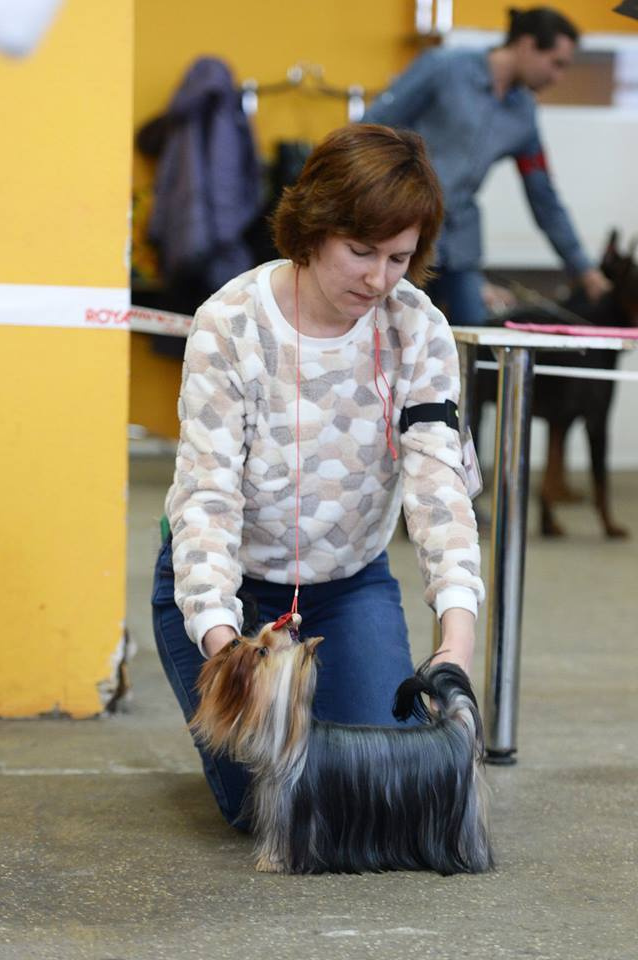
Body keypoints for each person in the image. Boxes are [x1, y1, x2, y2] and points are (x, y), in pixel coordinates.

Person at [151, 123, 485, 827]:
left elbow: (438, 485)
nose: (378, 278)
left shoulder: (418, 329)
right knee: (275, 808)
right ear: (313, 228)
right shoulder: (228, 324)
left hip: (349, 584)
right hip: (232, 595)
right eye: (360, 251)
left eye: (399, 258)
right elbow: (206, 498)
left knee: (382, 797)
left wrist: (455, 639)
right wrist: (228, 648)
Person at [363, 6, 610, 326]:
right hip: (405, 230)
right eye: (556, 63)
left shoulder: (523, 116)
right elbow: (370, 129)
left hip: (461, 247)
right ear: (526, 44)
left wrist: (584, 270)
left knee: (479, 345)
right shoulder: (443, 68)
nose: (557, 77)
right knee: (396, 332)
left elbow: (543, 197)